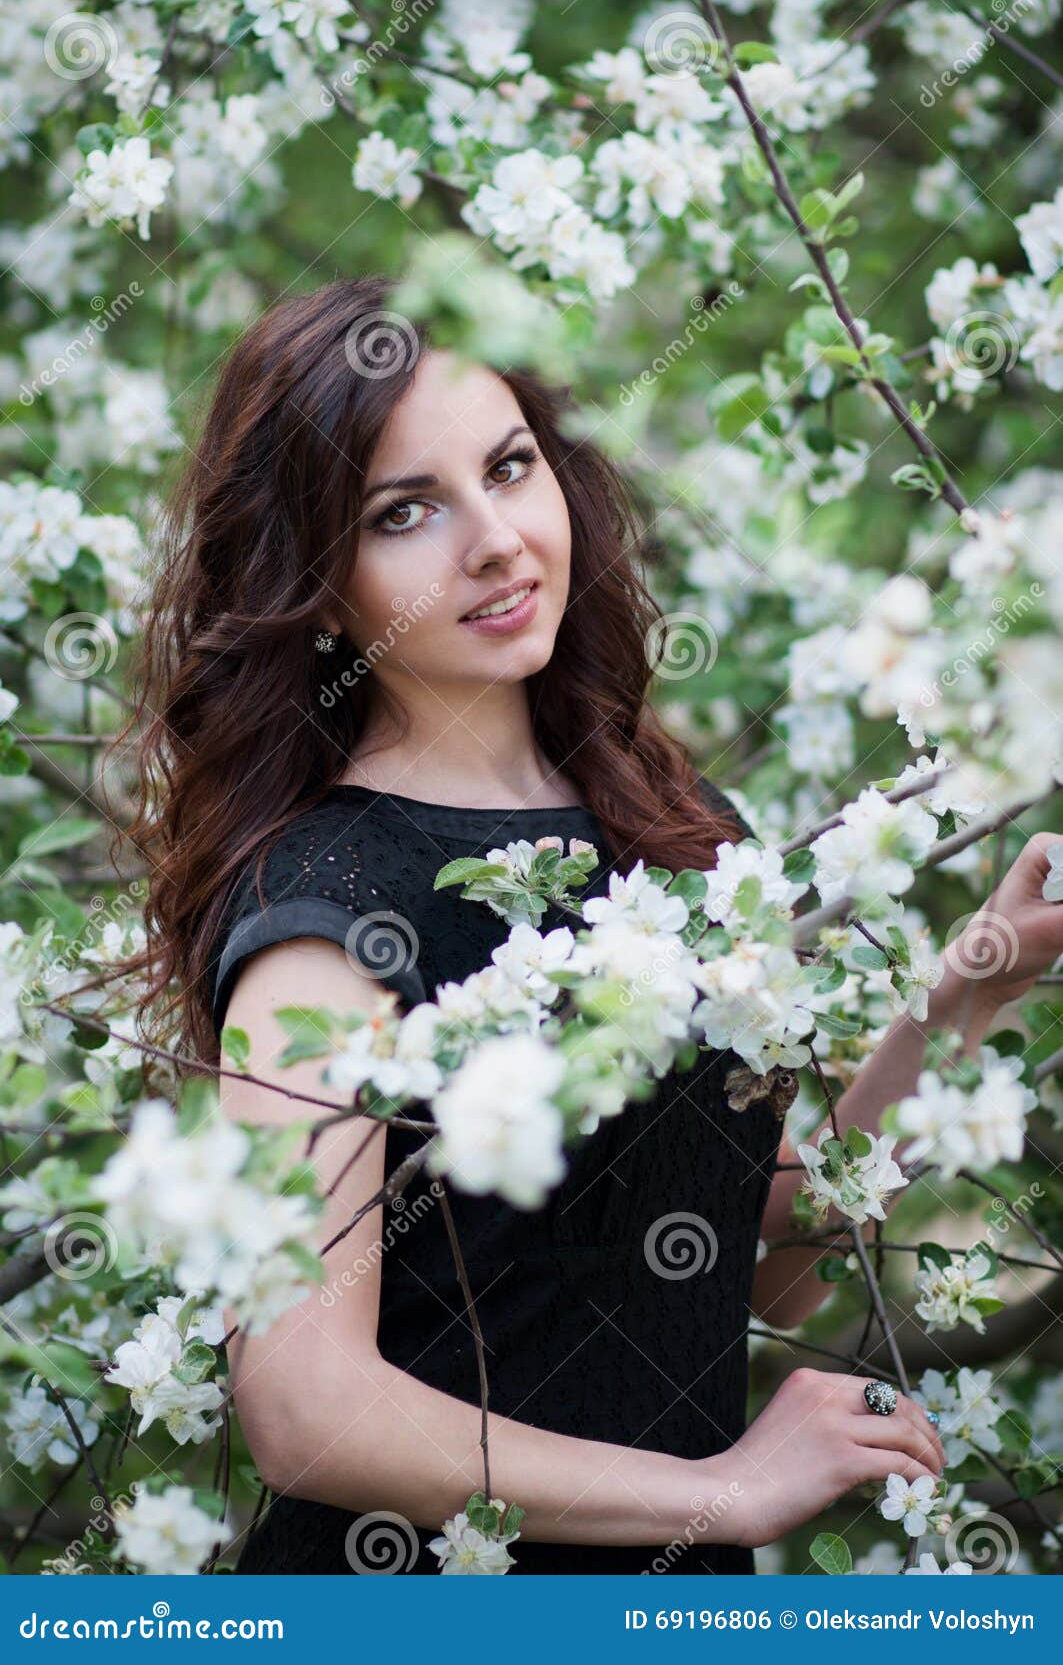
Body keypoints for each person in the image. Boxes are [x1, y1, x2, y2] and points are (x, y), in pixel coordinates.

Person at [120, 275, 1063, 1574]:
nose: (495, 540)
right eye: (406, 512)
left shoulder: (679, 831)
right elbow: (306, 1407)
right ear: (322, 589)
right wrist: (721, 1494)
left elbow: (763, 1259)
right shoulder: (326, 905)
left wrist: (971, 989)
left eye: (510, 467)